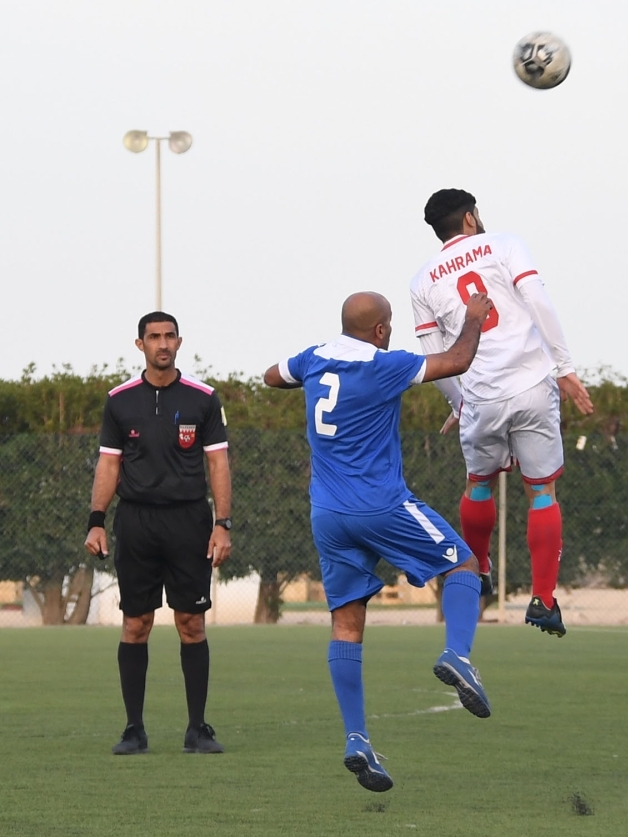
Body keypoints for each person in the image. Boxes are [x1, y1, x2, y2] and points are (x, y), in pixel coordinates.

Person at [263, 290, 495, 793]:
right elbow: (458, 359)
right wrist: (474, 318)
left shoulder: (313, 358)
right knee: (463, 564)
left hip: (327, 515)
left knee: (346, 625)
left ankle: (357, 739)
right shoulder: (384, 365)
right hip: (380, 505)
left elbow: (270, 375)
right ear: (382, 330)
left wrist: (304, 378)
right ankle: (457, 653)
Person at [409, 189, 594, 638]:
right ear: (470, 218)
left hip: (481, 396)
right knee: (542, 491)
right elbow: (538, 302)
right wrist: (565, 368)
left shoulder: (422, 280)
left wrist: (459, 403)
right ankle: (544, 600)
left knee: (479, 483)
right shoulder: (506, 244)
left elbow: (434, 354)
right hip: (532, 384)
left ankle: (477, 574)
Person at [84, 312, 232, 756]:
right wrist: (96, 519)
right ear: (140, 345)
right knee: (136, 624)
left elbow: (218, 463)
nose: (162, 344)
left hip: (189, 521)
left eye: (169, 336)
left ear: (179, 342)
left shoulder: (203, 399)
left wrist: (222, 525)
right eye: (154, 337)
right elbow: (109, 464)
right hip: (136, 523)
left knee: (191, 623)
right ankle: (134, 729)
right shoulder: (119, 401)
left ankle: (197, 729)